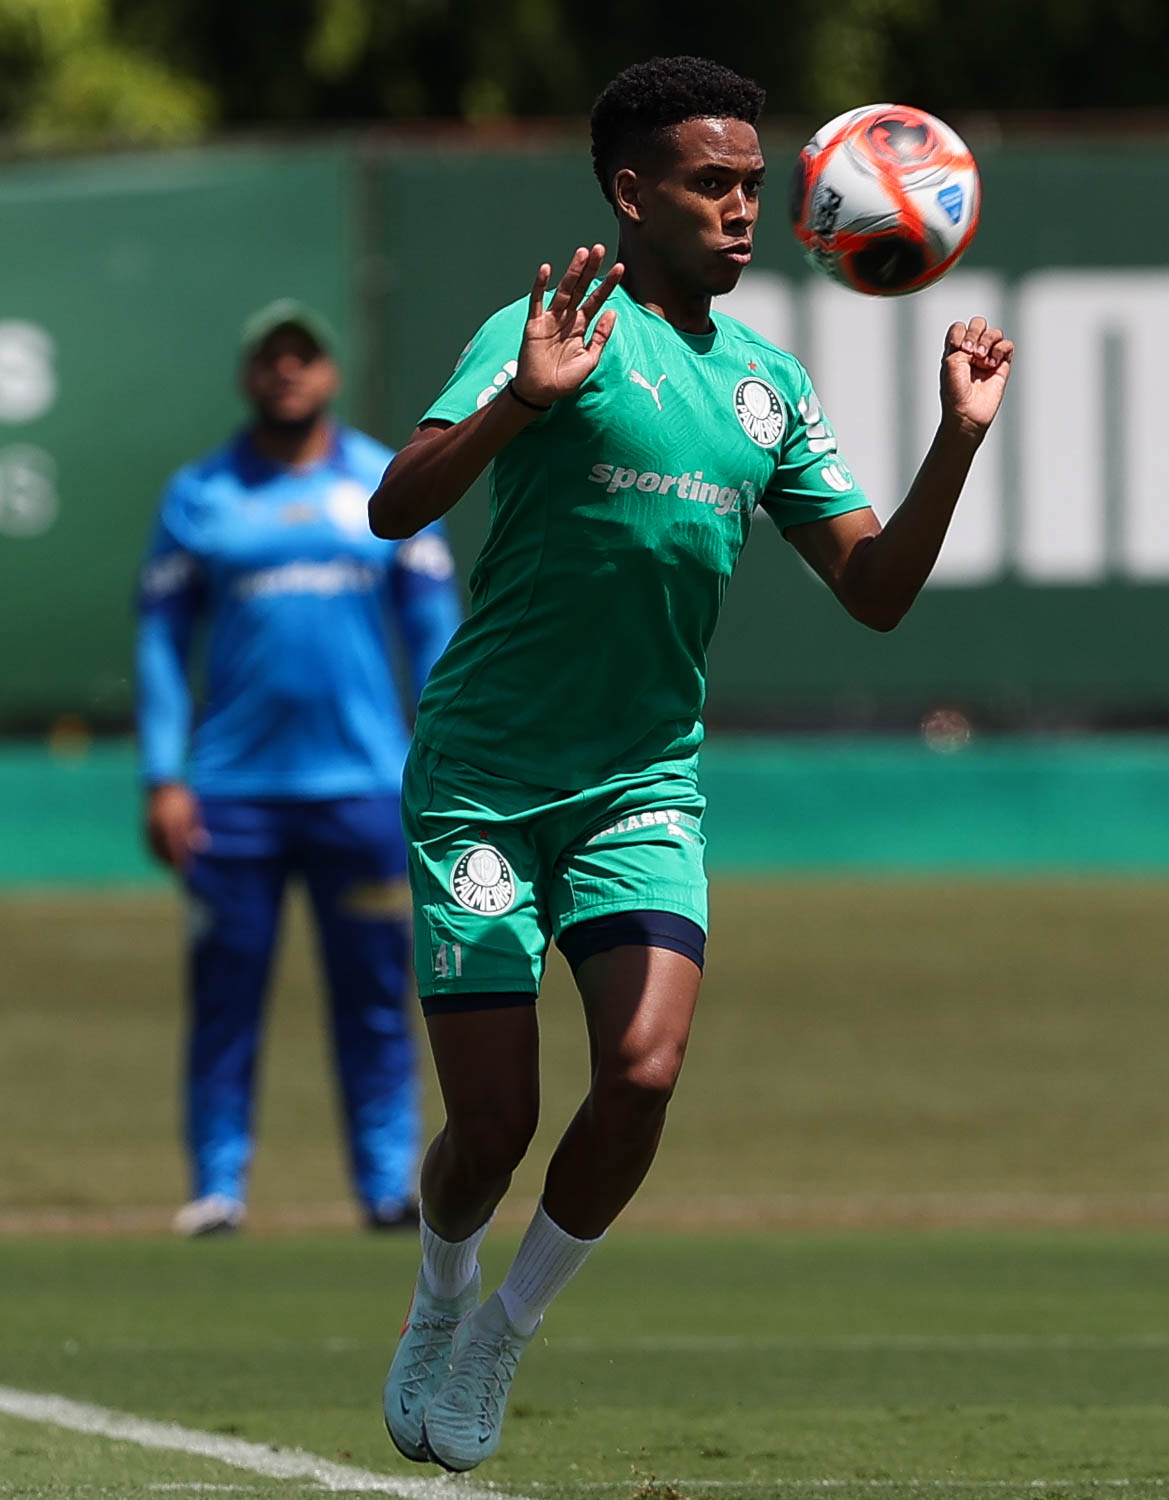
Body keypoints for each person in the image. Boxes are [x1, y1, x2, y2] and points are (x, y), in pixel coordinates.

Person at [369, 56, 1013, 1471]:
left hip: (641, 784)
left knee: (645, 1071)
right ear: (631, 192)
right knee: (492, 1128)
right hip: (483, 777)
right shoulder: (553, 328)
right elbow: (391, 504)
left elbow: (877, 592)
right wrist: (523, 401)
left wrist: (956, 445)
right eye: (711, 183)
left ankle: (500, 1339)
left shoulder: (770, 386)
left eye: (752, 183)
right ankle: (438, 1291)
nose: (742, 207)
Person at [136, 299, 461, 1237]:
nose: (288, 372)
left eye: (304, 357)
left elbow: (433, 632)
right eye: (271, 359)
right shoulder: (201, 493)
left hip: (361, 788)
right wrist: (164, 772)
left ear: (330, 374)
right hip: (231, 796)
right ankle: (217, 1187)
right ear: (249, 376)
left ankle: (387, 1184)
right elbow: (158, 638)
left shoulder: (382, 482)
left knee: (375, 997)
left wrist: (441, 759)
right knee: (225, 995)